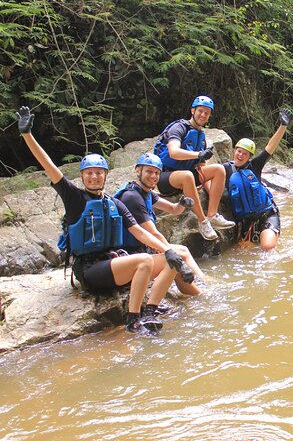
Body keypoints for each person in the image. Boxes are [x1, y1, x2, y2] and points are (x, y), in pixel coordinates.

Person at [17, 106, 188, 334]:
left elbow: (139, 231)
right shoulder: (75, 198)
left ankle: (150, 310)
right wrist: (27, 135)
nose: (94, 176)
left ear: (106, 176)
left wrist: (167, 250)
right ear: (83, 176)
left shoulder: (113, 203)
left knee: (170, 261)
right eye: (90, 172)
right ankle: (133, 320)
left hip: (113, 262)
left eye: (99, 172)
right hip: (90, 269)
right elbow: (49, 166)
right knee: (144, 261)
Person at [114, 153, 205, 306]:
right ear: (138, 170)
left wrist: (182, 203)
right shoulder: (132, 197)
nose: (153, 176)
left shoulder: (146, 192)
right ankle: (201, 294)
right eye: (149, 171)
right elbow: (153, 234)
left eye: (156, 173)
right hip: (130, 254)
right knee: (176, 259)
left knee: (182, 250)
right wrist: (174, 257)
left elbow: (173, 209)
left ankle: (202, 281)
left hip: (141, 248)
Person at [153, 95, 235, 241]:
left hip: (186, 177)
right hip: (165, 177)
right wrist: (198, 154)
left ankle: (212, 215)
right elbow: (173, 151)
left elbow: (202, 168)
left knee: (219, 169)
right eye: (200, 111)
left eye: (207, 113)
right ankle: (203, 222)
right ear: (193, 110)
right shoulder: (179, 128)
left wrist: (212, 192)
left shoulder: (201, 137)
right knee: (187, 176)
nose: (203, 115)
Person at [222, 108, 291, 251]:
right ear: (234, 151)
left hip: (267, 215)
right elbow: (211, 178)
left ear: (249, 157)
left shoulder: (255, 166)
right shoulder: (226, 169)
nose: (240, 155)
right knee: (241, 250)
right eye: (239, 151)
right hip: (246, 221)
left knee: (267, 247)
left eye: (245, 154)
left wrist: (282, 126)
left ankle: (270, 235)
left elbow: (270, 147)